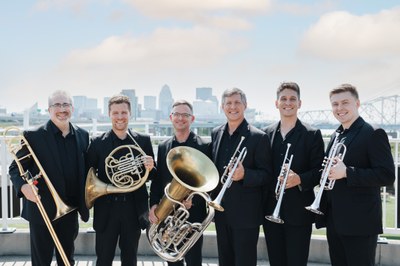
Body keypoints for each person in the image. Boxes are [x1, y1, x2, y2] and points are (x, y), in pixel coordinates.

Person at [316, 84, 395, 265]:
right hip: (335, 220)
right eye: (335, 104)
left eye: (345, 102)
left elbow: (387, 175)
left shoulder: (373, 133)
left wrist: (347, 172)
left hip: (360, 223)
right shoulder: (337, 134)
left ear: (357, 103)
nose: (339, 108)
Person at [8, 90, 89, 266]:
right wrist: (24, 187)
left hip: (70, 209)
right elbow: (15, 168)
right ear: (49, 110)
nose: (62, 109)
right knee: (41, 261)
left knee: (67, 260)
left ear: (72, 108)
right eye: (57, 105)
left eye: (65, 104)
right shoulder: (34, 136)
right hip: (41, 210)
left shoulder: (83, 135)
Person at [86, 94, 155, 266]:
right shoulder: (97, 142)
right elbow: (88, 175)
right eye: (115, 113)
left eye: (123, 112)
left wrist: (150, 166)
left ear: (130, 114)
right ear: (109, 114)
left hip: (133, 208)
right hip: (106, 208)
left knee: (130, 259)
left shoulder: (143, 141)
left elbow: (152, 175)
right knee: (103, 259)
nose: (120, 117)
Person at [262, 82, 325, 266]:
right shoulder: (266, 134)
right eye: (283, 99)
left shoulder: (312, 134)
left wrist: (300, 179)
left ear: (300, 103)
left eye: (292, 99)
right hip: (270, 210)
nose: (287, 103)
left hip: (299, 212)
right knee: (276, 261)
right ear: (276, 103)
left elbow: (320, 172)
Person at [210, 87, 272, 266]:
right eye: (228, 103)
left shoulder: (258, 137)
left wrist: (246, 175)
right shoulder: (216, 133)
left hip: (246, 216)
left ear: (245, 105)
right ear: (222, 107)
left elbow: (267, 175)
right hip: (221, 212)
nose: (233, 107)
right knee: (225, 261)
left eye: (237, 102)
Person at [148, 99, 210, 266]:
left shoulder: (205, 146)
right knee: (171, 259)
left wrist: (194, 201)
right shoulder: (163, 146)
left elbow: (209, 183)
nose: (180, 118)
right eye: (177, 114)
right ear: (170, 117)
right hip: (168, 213)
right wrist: (153, 204)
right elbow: (158, 179)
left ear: (192, 119)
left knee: (193, 260)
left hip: (193, 215)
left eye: (185, 115)